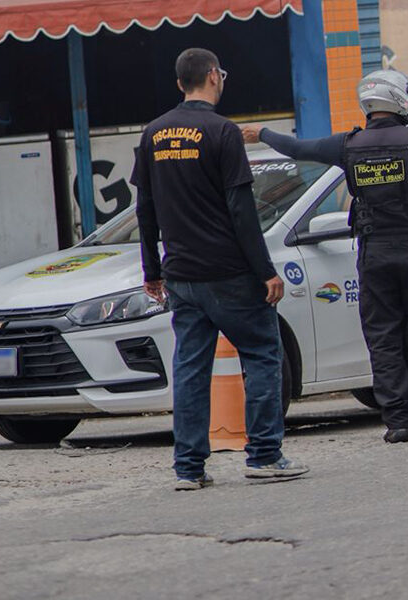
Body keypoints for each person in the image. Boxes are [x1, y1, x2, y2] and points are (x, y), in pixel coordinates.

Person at [243, 69, 408, 444]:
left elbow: (298, 148)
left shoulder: (347, 145)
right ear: (400, 101)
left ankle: (398, 420)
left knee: (383, 337)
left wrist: (263, 134)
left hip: (375, 256)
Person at [131, 48, 309, 490]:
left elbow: (145, 209)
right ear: (213, 76)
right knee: (263, 355)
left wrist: (152, 270)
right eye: (222, 74)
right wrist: (265, 270)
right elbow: (241, 210)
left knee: (191, 369)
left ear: (180, 84)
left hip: (182, 276)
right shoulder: (223, 132)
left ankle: (188, 468)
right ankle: (264, 456)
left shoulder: (153, 134)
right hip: (230, 274)